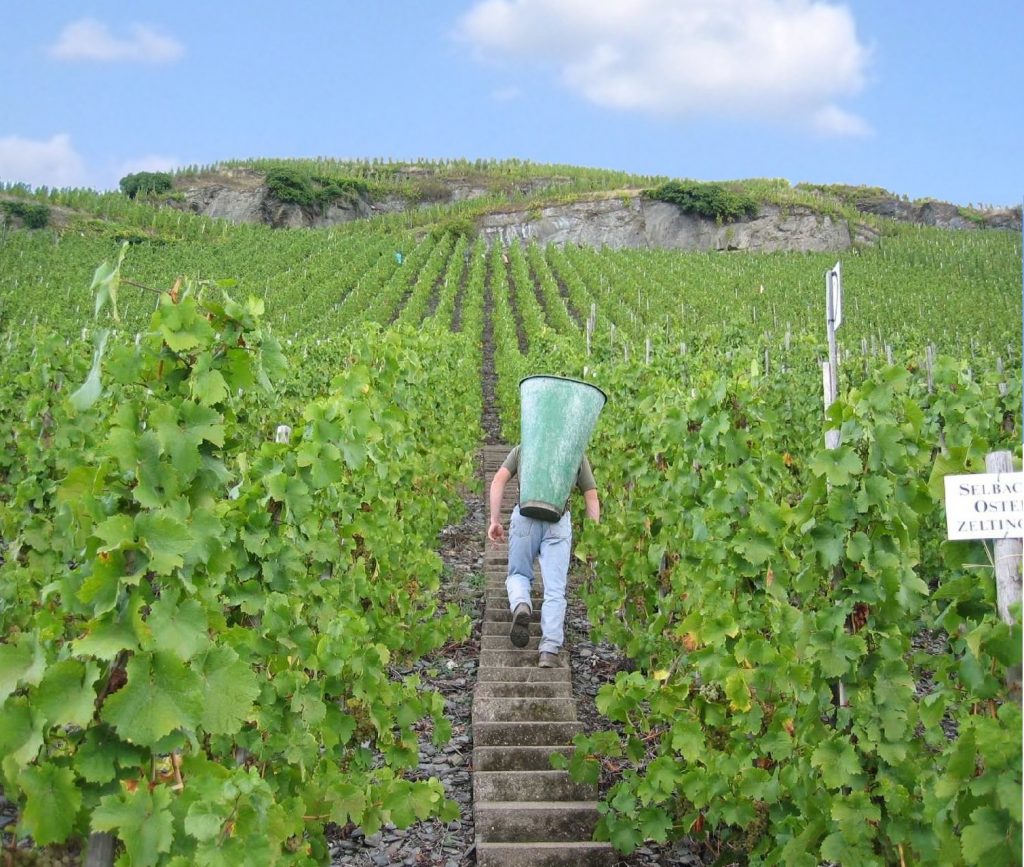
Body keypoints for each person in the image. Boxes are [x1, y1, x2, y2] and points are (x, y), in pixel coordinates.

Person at [487, 445, 600, 667]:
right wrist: (592, 539)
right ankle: (549, 649)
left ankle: (521, 603)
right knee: (555, 589)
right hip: (558, 521)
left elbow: (498, 480)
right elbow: (591, 496)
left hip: (526, 516)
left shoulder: (525, 446)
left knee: (518, 573)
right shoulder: (574, 451)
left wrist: (494, 520)